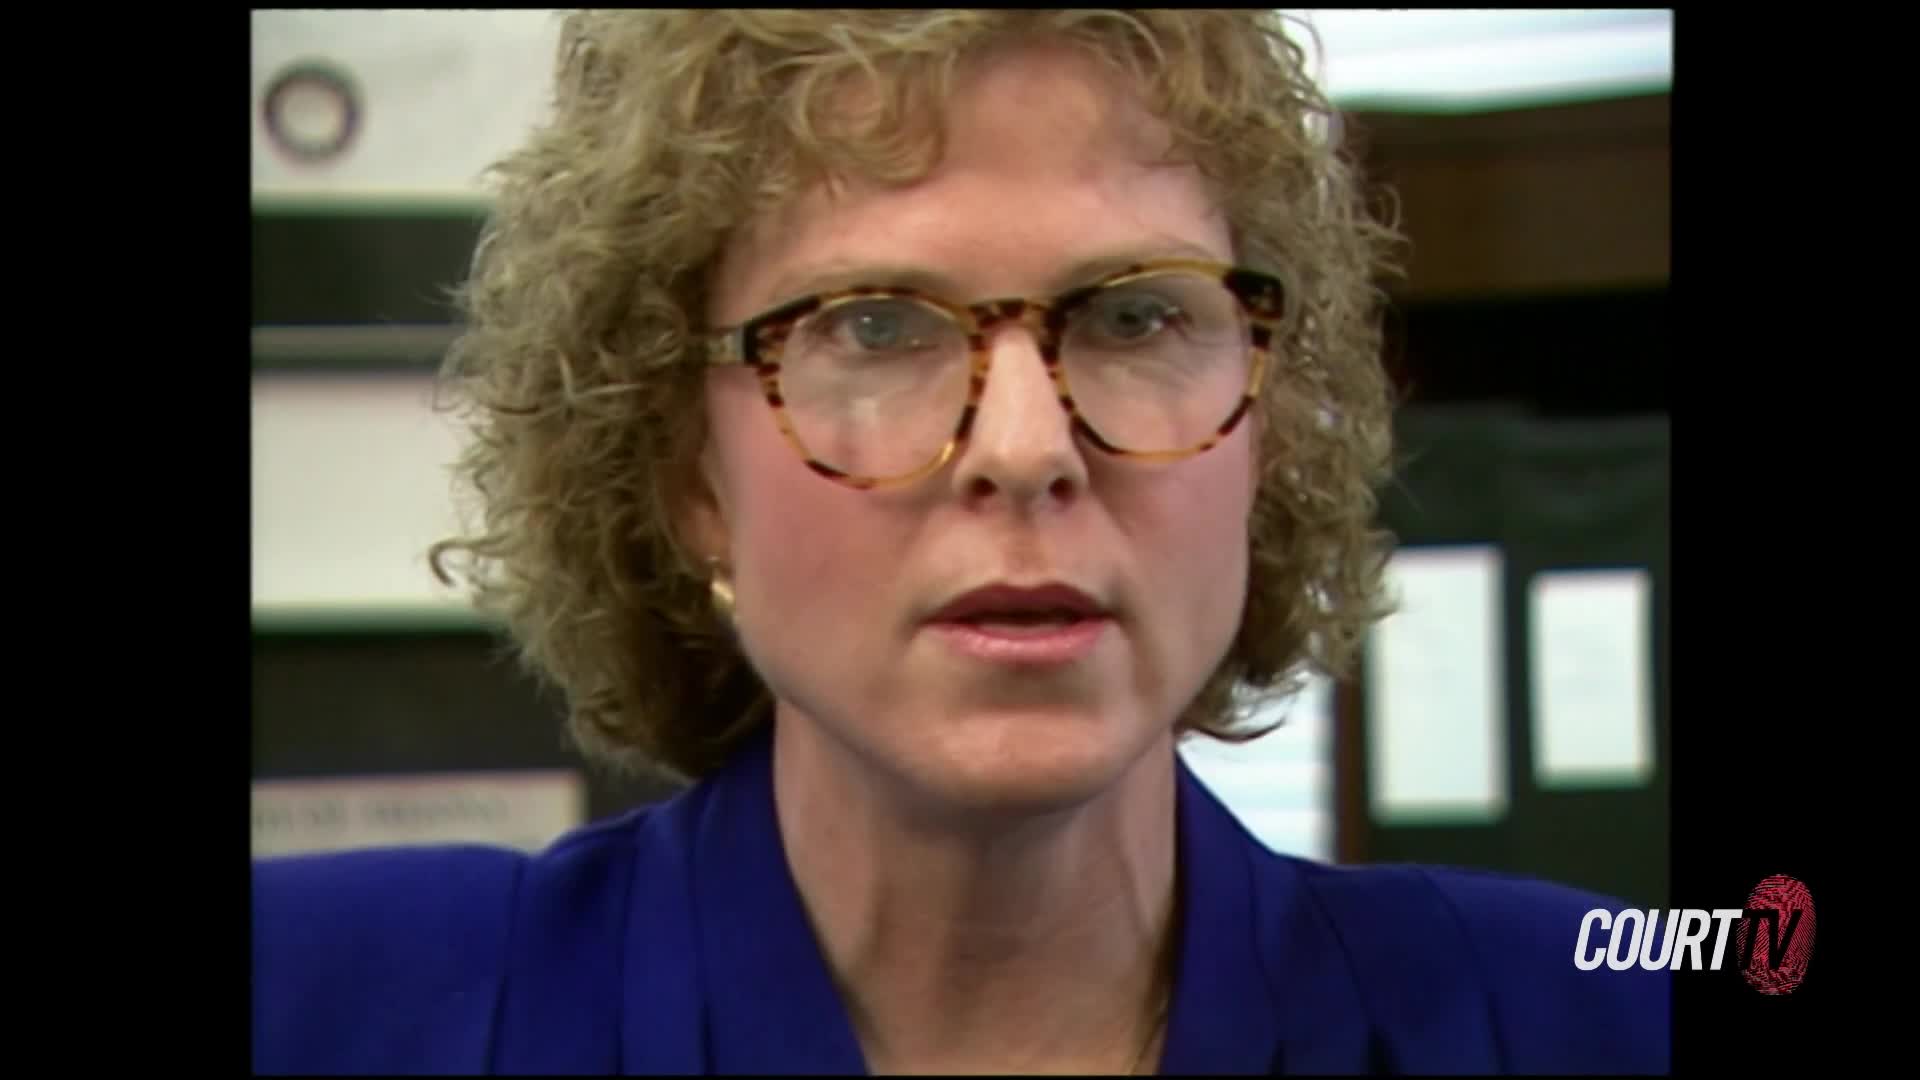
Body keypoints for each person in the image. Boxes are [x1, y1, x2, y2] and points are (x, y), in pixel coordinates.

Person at [251, 9, 1670, 1075]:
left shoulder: (1593, 1013)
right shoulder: (325, 1005)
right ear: (687, 472)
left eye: (1134, 318)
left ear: (1270, 429)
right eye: (873, 326)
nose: (1025, 448)